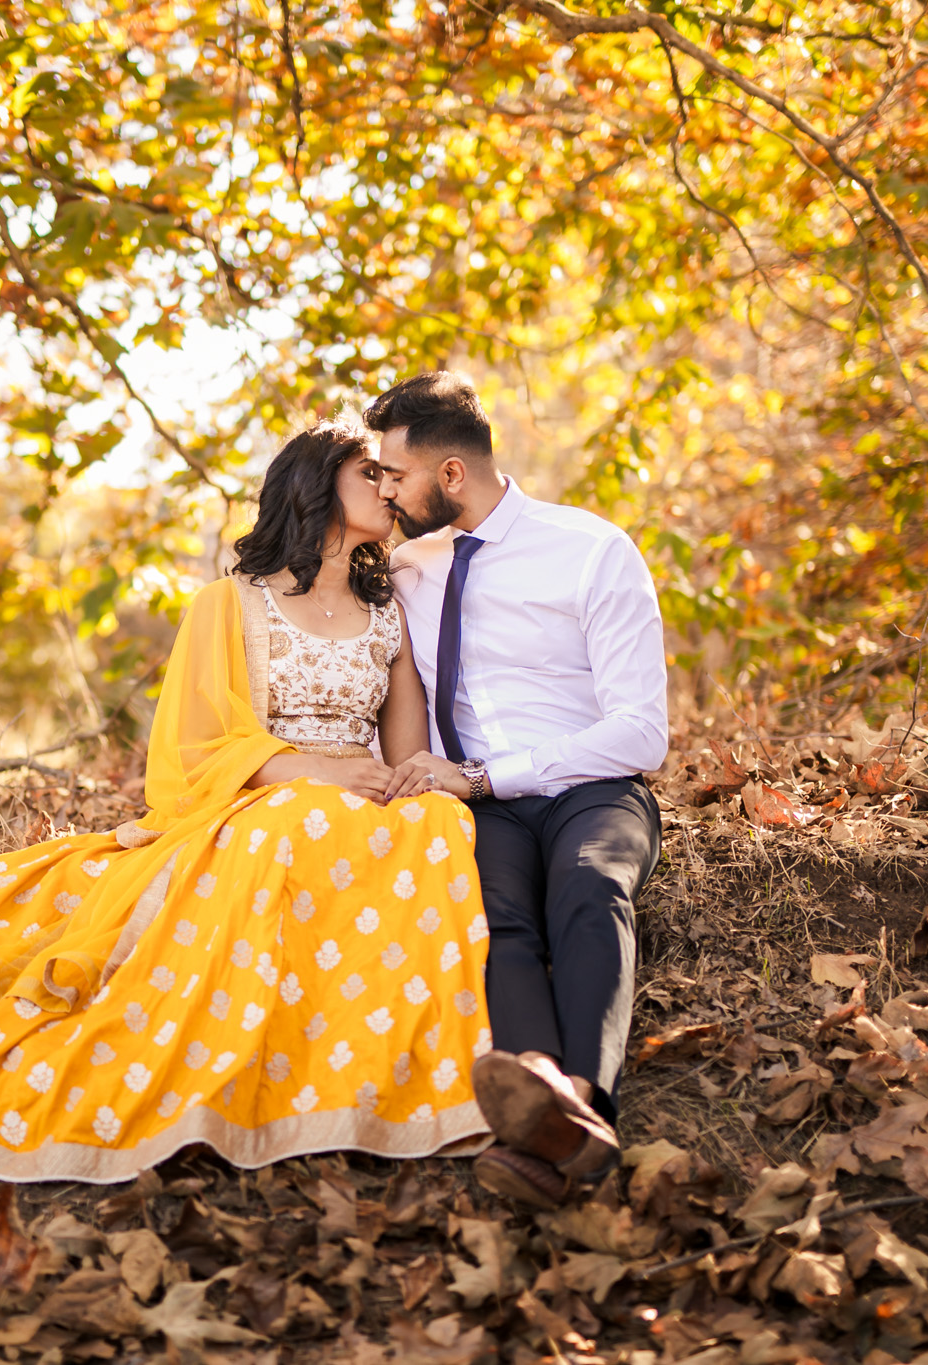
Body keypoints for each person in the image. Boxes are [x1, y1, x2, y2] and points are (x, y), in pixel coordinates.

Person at [0, 418, 493, 1182]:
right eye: (372, 474)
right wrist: (311, 775)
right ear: (317, 484)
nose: (391, 490)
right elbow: (196, 746)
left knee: (433, 821)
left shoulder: (386, 615)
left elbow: (408, 749)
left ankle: (384, 1060)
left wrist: (408, 781)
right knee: (298, 821)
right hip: (264, 797)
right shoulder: (232, 604)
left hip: (363, 800)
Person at [369, 372, 667, 1209]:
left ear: (451, 475)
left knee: (588, 888)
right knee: (490, 913)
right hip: (480, 806)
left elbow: (643, 730)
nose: (386, 493)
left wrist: (487, 774)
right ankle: (540, 1087)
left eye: (395, 476)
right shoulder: (405, 568)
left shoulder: (593, 549)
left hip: (590, 787)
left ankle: (581, 1106)